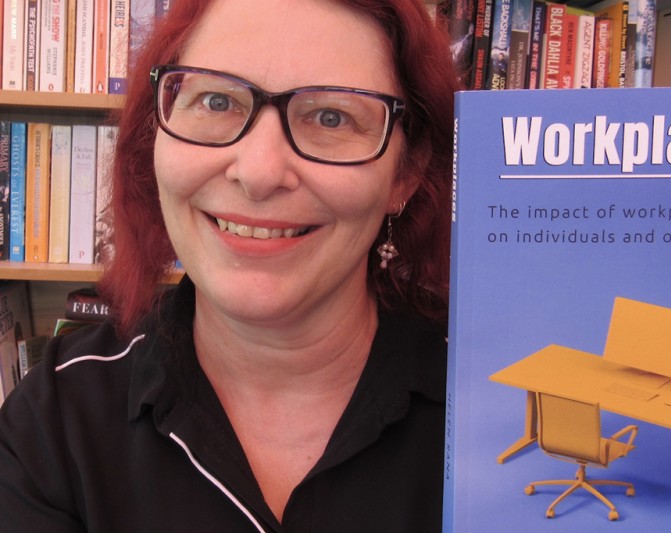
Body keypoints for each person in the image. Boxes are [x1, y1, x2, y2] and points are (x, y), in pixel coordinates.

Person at [0, 0, 458, 531]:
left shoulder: (499, 398)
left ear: (407, 171)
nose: (259, 172)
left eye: (331, 116)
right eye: (216, 100)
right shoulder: (56, 420)